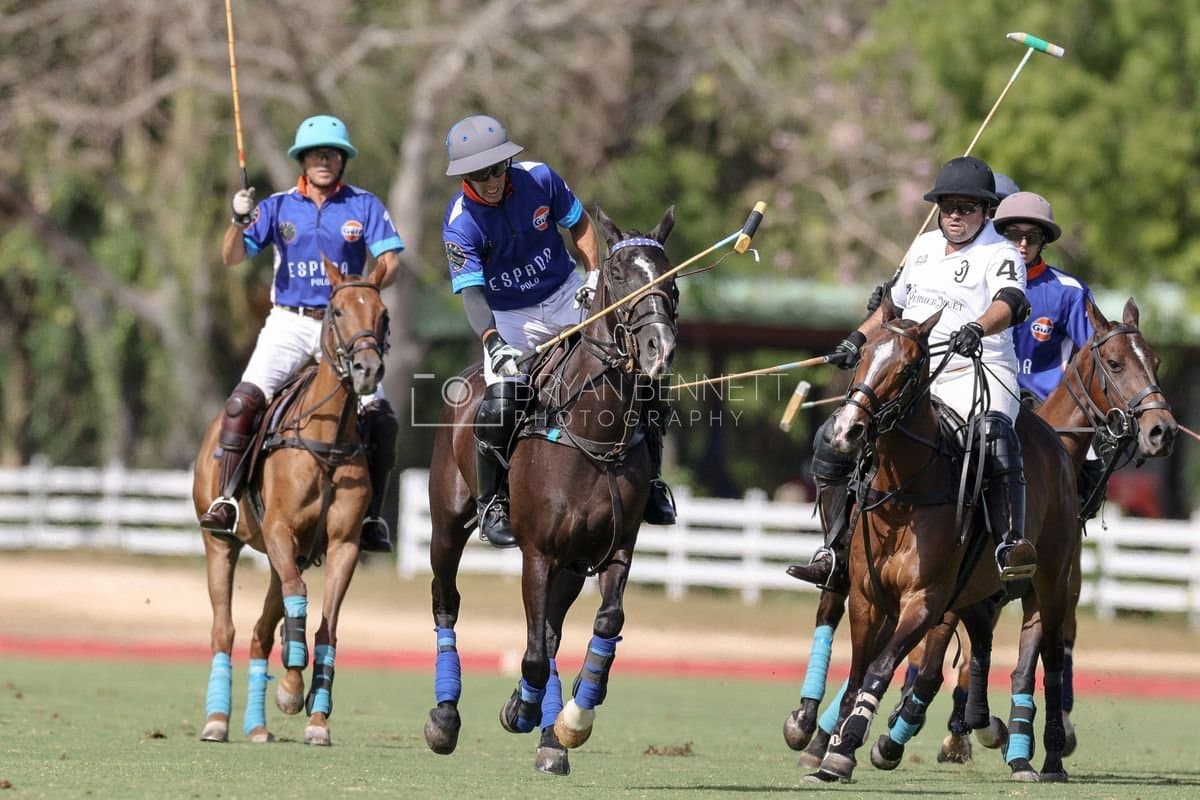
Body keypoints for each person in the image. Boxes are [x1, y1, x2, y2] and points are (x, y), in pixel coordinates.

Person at [790, 155, 1034, 588]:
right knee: (834, 436)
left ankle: (1008, 546)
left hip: (975, 368)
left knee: (994, 437)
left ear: (986, 210)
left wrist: (977, 328)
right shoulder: (922, 247)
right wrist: (856, 339)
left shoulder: (1000, 252)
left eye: (966, 207)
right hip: (909, 372)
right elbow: (891, 305)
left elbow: (1011, 302)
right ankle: (835, 549)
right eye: (947, 206)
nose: (954, 215)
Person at [441, 114, 676, 548]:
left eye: (497, 168)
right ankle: (492, 503)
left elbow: (580, 223)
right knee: (501, 399)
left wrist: (592, 274)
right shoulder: (461, 223)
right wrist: (493, 342)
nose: (492, 180)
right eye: (480, 174)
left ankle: (654, 481)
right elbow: (472, 294)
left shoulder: (540, 178)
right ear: (464, 177)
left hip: (567, 292)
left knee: (639, 366)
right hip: (511, 315)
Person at [198, 114, 404, 554]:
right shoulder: (277, 206)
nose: (323, 161)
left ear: (342, 160)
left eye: (332, 154)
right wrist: (237, 221)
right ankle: (227, 499)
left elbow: (391, 260)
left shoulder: (364, 205)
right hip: (290, 323)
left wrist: (365, 291)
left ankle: (370, 517)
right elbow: (231, 257)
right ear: (303, 161)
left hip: (345, 327)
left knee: (382, 419)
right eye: (315, 154)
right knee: (242, 403)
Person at [993, 189, 1107, 518]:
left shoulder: (1068, 292)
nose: (1022, 244)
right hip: (988, 397)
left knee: (1092, 469)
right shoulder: (979, 281)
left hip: (1047, 410)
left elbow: (1095, 355)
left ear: (1043, 241)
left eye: (1032, 237)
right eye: (1014, 235)